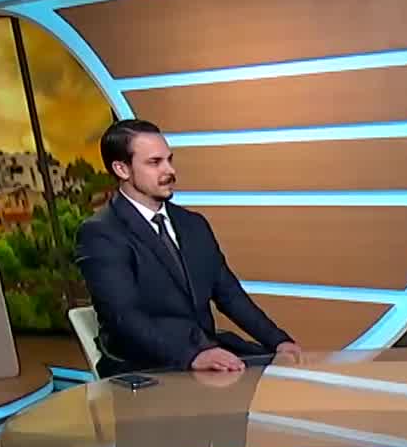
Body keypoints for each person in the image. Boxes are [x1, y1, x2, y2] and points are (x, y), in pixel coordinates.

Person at [77, 119, 301, 376]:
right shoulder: (101, 233)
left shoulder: (193, 224)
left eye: (169, 160)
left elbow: (230, 295)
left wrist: (278, 341)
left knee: (284, 373)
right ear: (122, 169)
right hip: (145, 366)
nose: (169, 170)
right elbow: (124, 318)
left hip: (205, 348)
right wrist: (191, 355)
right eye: (155, 162)